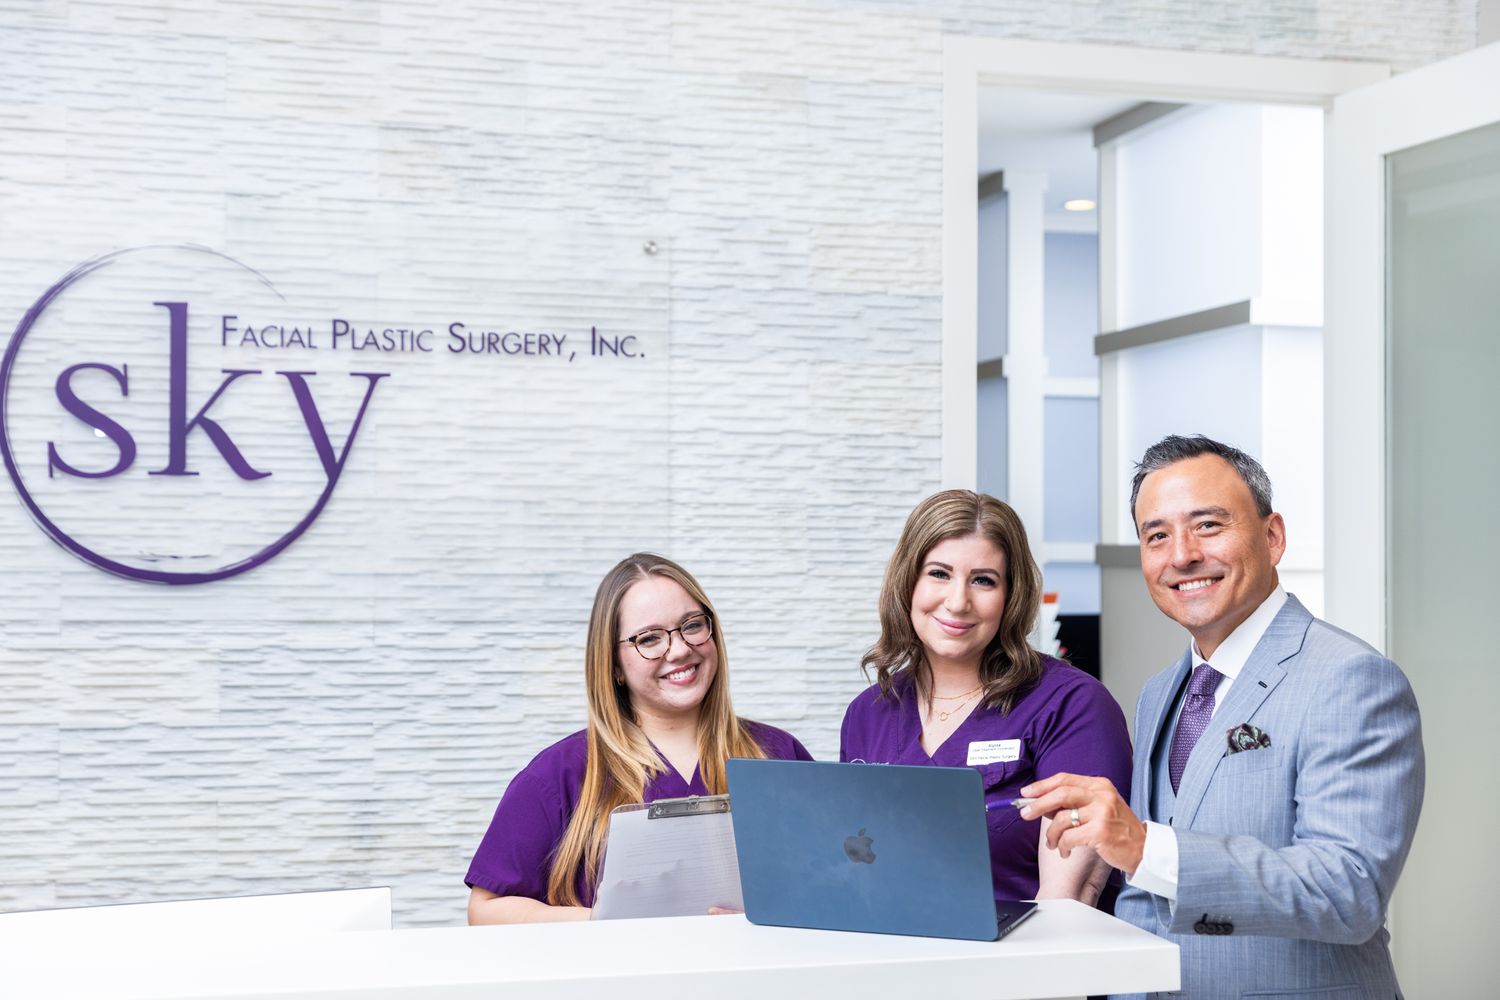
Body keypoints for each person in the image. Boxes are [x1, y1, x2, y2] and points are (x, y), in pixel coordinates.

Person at [1020, 435, 1424, 999]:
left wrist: (1144, 845)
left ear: (1273, 536)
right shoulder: (1160, 692)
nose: (1181, 555)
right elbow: (1146, 900)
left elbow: (1347, 891)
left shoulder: (1351, 679)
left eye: (1207, 525)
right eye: (1156, 536)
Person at [465, 552, 813, 923]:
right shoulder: (559, 774)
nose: (680, 649)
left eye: (692, 625)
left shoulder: (779, 755)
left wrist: (771, 912)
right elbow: (485, 911)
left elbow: (835, 884)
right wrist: (604, 922)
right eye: (649, 638)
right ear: (613, 664)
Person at [840, 489, 1132, 905]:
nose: (958, 602)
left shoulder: (1072, 705)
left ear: (1011, 596)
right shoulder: (868, 714)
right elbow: (855, 868)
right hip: (886, 941)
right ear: (907, 583)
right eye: (939, 574)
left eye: (983, 580)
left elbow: (1067, 900)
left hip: (1023, 945)